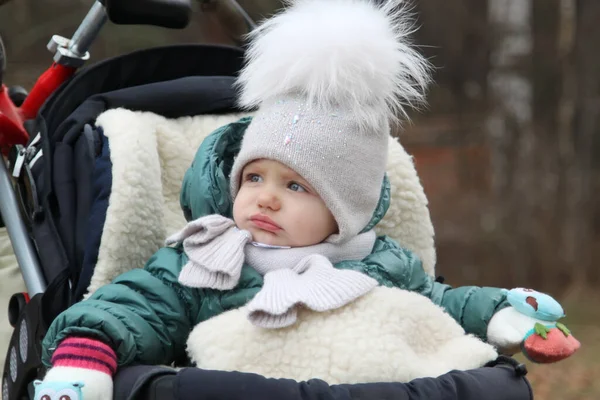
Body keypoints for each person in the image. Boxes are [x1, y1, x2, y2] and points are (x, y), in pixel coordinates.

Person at [37, 0, 577, 399]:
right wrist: (88, 349)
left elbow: (443, 304)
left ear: (343, 210)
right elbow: (137, 304)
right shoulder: (206, 260)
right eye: (254, 179)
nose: (266, 200)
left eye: (295, 187)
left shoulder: (379, 262)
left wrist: (505, 316)